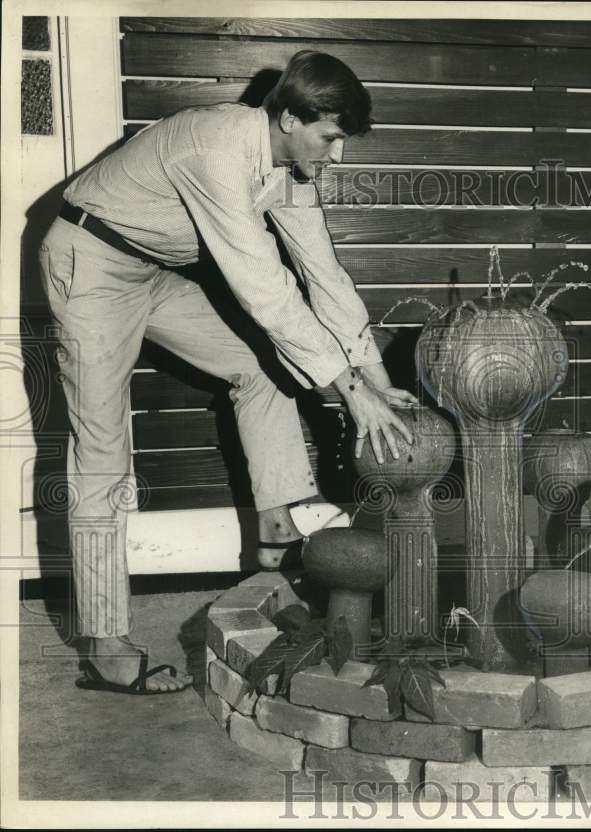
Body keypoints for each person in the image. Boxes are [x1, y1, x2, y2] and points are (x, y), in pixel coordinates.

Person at [38, 50, 417, 694]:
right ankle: (103, 642)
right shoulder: (215, 147)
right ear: (291, 118)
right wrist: (349, 393)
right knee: (102, 446)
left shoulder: (290, 168)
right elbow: (265, 291)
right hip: (90, 265)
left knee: (260, 365)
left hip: (151, 273)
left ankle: (276, 536)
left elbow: (324, 275)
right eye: (331, 138)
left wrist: (375, 380)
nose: (338, 156)